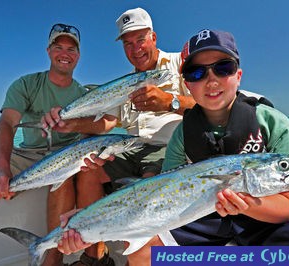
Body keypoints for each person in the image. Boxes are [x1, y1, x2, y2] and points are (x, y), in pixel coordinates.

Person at [57, 29, 289, 265]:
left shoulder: (273, 122)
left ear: (238, 75)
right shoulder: (181, 136)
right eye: (197, 72)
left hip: (264, 222)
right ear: (187, 83)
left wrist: (243, 203)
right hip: (204, 221)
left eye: (222, 68)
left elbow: (285, 210)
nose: (211, 80)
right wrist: (87, 219)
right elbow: (158, 195)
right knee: (142, 253)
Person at [43, 7, 195, 266]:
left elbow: (208, 104)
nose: (135, 49)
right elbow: (107, 123)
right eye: (128, 43)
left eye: (141, 40)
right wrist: (68, 124)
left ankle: (139, 255)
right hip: (131, 147)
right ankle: (96, 256)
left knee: (142, 189)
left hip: (171, 147)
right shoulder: (122, 85)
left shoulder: (180, 64)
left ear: (154, 37)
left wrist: (169, 102)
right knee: (88, 169)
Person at [0, 23, 116, 266]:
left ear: (78, 56)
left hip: (67, 158)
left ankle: (52, 261)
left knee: (65, 178)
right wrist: (0, 168)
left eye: (71, 49)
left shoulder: (83, 96)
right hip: (27, 155)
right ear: (48, 51)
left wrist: (75, 129)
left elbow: (102, 125)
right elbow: (6, 123)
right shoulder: (26, 84)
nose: (65, 53)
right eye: (58, 47)